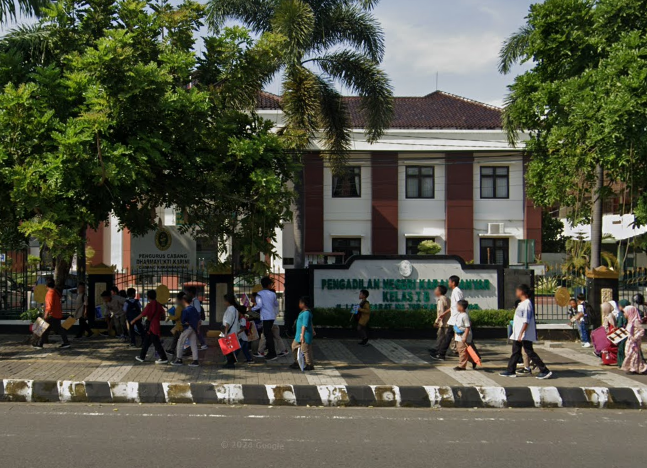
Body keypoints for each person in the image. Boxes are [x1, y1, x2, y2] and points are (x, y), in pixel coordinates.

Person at [500, 284, 552, 379]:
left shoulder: (527, 304)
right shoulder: (522, 303)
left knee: (529, 351)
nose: (516, 293)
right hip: (518, 334)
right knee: (515, 351)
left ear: (521, 292)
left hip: (524, 334)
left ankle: (544, 370)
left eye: (517, 291)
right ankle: (510, 370)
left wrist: (521, 333)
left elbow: (526, 321)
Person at [431, 275, 463, 361]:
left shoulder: (456, 292)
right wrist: (445, 313)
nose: (448, 283)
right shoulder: (454, 292)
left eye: (449, 282)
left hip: (456, 318)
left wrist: (439, 320)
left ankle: (442, 353)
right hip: (453, 318)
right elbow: (453, 307)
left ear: (453, 282)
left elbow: (459, 305)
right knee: (449, 336)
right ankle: (442, 353)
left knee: (450, 336)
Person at [131, 290, 168, 364]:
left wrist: (134, 320)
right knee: (146, 342)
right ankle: (142, 357)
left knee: (156, 343)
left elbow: (142, 314)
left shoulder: (149, 305)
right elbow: (163, 314)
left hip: (151, 326)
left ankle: (163, 358)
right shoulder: (158, 305)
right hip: (156, 325)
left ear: (148, 297)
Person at [34, 279, 71, 349]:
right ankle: (40, 343)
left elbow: (49, 305)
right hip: (56, 313)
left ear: (46, 286)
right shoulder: (56, 292)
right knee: (51, 329)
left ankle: (40, 344)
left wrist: (46, 314)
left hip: (51, 314)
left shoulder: (50, 293)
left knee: (46, 329)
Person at [252, 277, 280, 361]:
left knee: (268, 335)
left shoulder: (259, 294)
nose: (272, 285)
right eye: (271, 284)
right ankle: (271, 352)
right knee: (268, 334)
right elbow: (276, 304)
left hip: (265, 317)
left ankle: (272, 353)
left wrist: (251, 309)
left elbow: (259, 305)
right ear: (268, 285)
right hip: (271, 317)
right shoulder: (273, 294)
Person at [172, 295, 200, 367]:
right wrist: (197, 328)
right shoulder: (193, 309)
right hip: (194, 328)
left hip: (187, 328)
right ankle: (195, 360)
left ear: (184, 300)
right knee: (193, 344)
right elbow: (198, 319)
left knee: (180, 342)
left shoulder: (185, 310)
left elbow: (183, 321)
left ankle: (179, 359)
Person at [288, 296, 315, 371]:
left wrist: (302, 336)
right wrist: (313, 330)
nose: (299, 304)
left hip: (304, 335)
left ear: (304, 304)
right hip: (299, 335)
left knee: (305, 350)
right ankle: (297, 362)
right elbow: (311, 323)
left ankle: (309, 365)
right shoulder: (303, 312)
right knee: (294, 346)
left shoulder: (306, 313)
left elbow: (305, 325)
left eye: (300, 303)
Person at [620, 306, 647, 375]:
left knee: (633, 354)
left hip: (634, 342)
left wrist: (635, 337)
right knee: (630, 354)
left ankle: (633, 368)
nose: (624, 314)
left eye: (625, 313)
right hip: (630, 341)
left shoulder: (636, 321)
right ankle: (639, 368)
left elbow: (642, 331)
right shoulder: (630, 321)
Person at [453, 299, 476, 371]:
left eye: (458, 306)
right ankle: (473, 360)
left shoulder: (465, 316)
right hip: (458, 336)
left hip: (462, 337)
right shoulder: (459, 315)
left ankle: (462, 366)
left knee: (462, 351)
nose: (456, 307)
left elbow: (467, 327)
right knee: (461, 351)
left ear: (461, 307)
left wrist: (465, 337)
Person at [185, 286, 208, 350]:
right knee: (197, 333)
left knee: (197, 332)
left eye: (188, 293)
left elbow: (198, 311)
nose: (187, 294)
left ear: (191, 293)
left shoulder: (196, 301)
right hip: (193, 320)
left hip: (195, 320)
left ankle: (202, 344)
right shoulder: (192, 301)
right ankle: (201, 344)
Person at [222, 293, 240, 369]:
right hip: (233, 330)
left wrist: (225, 333)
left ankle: (230, 363)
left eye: (225, 301)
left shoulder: (230, 310)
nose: (224, 302)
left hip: (229, 331)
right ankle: (231, 363)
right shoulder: (235, 309)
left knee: (228, 349)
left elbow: (228, 322)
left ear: (228, 301)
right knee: (230, 348)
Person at [431, 285, 450, 354]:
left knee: (443, 337)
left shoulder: (441, 300)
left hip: (444, 322)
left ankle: (441, 351)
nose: (434, 291)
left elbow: (441, 312)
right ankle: (437, 348)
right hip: (447, 322)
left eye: (436, 290)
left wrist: (437, 322)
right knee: (442, 337)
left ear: (439, 292)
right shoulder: (447, 298)